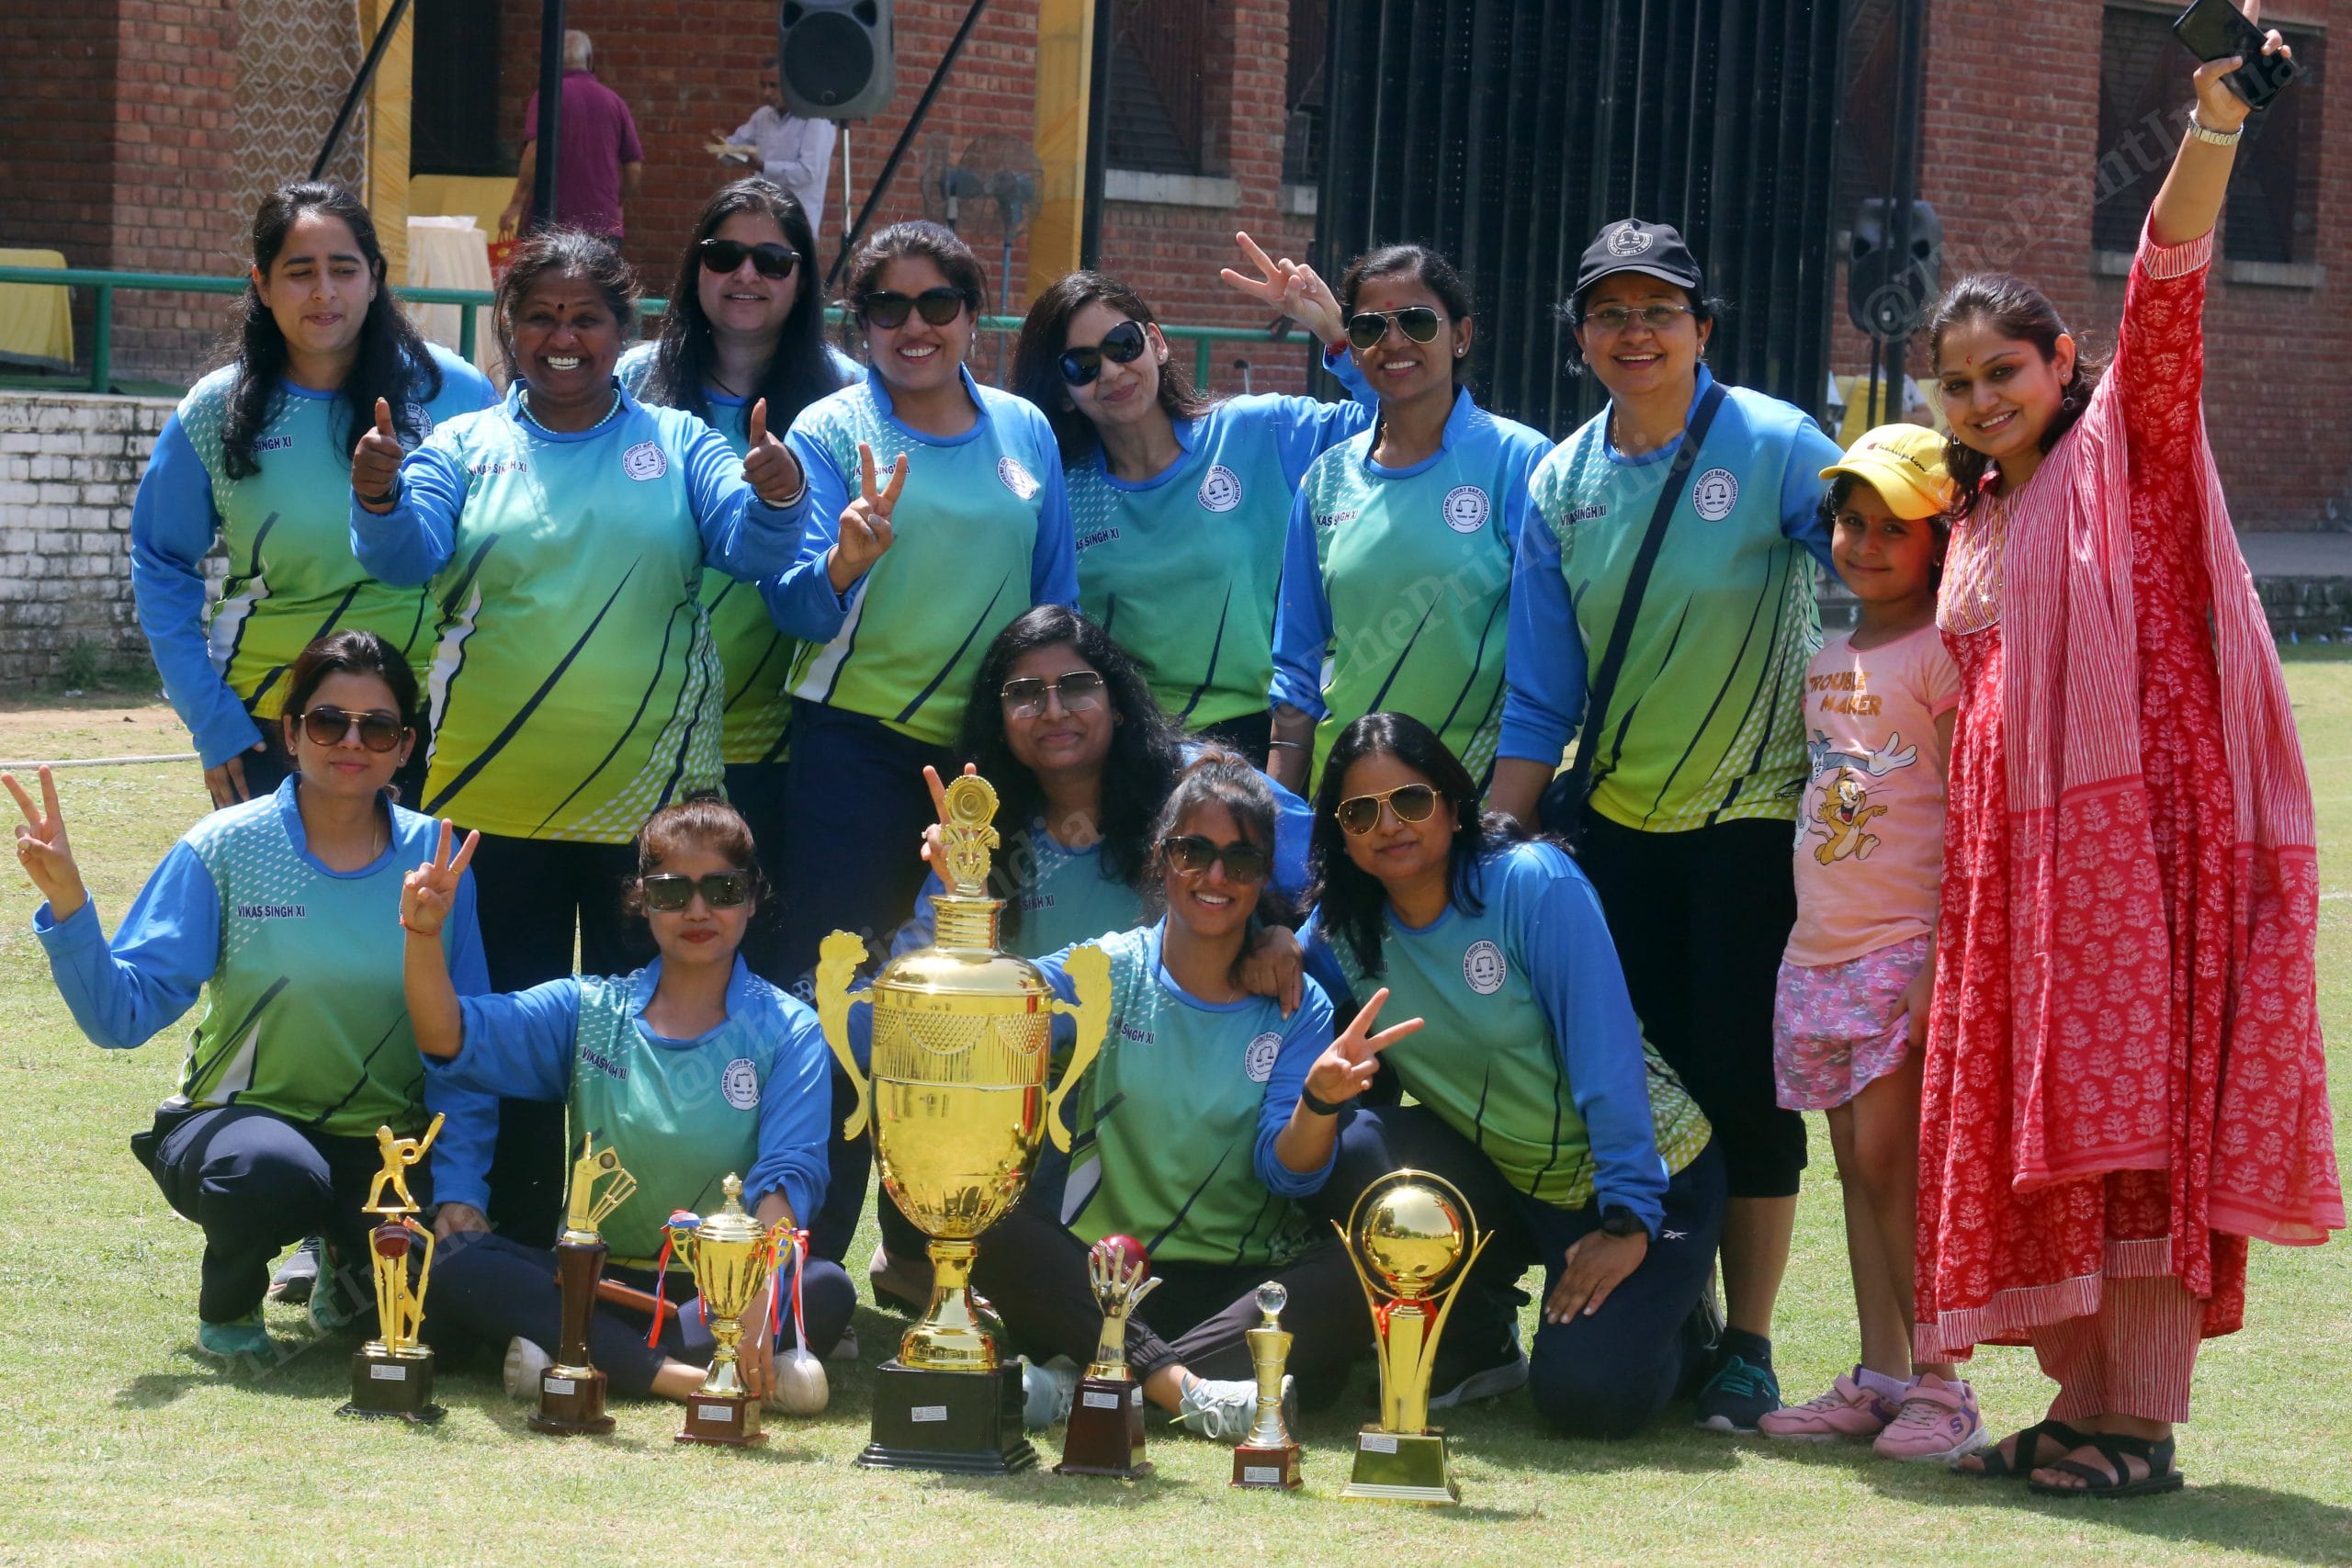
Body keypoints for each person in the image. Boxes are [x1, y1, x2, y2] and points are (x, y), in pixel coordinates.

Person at [1919, 18, 2339, 1497]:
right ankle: (2084, 1400)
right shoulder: (1974, 518)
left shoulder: (2127, 454)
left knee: (2137, 1113)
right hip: (2014, 861)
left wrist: (2212, 128)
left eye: (2004, 370)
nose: (1981, 398)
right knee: (2060, 1117)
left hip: (2135, 843)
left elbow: (2171, 286)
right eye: (1956, 382)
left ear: (2062, 363)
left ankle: (2140, 1421)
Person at [349, 228, 809, 1250]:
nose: (563, 337)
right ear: (508, 326)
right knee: (487, 1044)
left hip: (644, 823)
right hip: (483, 812)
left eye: (586, 316)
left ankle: (637, 1250)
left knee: (634, 1048)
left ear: (622, 330)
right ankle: (494, 1250)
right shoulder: (463, 448)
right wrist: (378, 488)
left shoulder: (683, 444)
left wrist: (778, 494)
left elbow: (747, 543)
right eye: (541, 316)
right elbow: (400, 554)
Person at [1487, 217, 1842, 1432]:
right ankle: (1675, 1307)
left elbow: (1887, 555)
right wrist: (1496, 839)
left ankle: (1748, 1341)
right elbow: (1539, 696)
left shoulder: (1779, 442)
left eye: (1659, 309)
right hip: (1621, 829)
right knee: (1635, 1081)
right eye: (1608, 311)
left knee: (1743, 1078)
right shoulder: (1560, 481)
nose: (1634, 332)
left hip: (1753, 815)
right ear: (1580, 334)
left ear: (1702, 326)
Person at [11, 631, 491, 1360]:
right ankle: (230, 1314)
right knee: (268, 1170)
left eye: (378, 726)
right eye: (329, 721)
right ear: (292, 733)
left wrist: (460, 1190)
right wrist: (73, 910)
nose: (351, 741)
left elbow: (466, 1045)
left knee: (433, 1327)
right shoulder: (227, 846)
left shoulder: (438, 859)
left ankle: (344, 1257)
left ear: (405, 745)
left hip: (388, 1146)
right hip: (241, 1129)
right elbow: (121, 1016)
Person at [925, 755, 1404, 1438]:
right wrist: (966, 893)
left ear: (1265, 874)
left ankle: (1081, 1384)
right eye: (1194, 851)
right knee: (986, 1216)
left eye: (1241, 860)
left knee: (1361, 1268)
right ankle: (1188, 1391)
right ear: (1161, 855)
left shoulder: (1300, 1006)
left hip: (1235, 1287)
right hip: (1096, 1278)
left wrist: (1320, 1103)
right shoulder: (1108, 969)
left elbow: (1285, 1170)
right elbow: (997, 1002)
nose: (1215, 876)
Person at [1297, 713, 1723, 1438]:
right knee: (1358, 1139)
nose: (1388, 825)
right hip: (1518, 1185)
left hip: (1649, 1179)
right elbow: (1281, 964)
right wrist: (1266, 948)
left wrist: (1629, 1219)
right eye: (1360, 811)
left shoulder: (1531, 884)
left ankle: (1686, 1327)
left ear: (1454, 803)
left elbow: (1607, 1055)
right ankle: (1473, 1340)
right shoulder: (1346, 930)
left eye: (1410, 800)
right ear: (1340, 832)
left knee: (1588, 1396)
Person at [404, 796, 850, 1411]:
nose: (698, 909)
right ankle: (683, 1376)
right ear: (642, 899)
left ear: (751, 897)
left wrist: (754, 1290)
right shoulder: (588, 1009)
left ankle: (571, 1352)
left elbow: (787, 1175)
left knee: (823, 1286)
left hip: (714, 1295)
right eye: (672, 892)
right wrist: (424, 934)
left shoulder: (790, 1027)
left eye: (721, 888)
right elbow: (448, 1034)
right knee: (454, 1260)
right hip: (589, 1280)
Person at [1749, 426, 1986, 1461]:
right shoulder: (1827, 656)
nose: (1866, 543)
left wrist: (1943, 960)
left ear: (1941, 540)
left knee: (1896, 1162)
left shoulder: (1949, 654)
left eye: (1896, 527)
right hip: (1818, 955)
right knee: (1854, 1165)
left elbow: (1973, 819)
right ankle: (1881, 1373)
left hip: (1900, 948)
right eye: (1852, 521)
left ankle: (1943, 1384)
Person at [761, 220, 1077, 986]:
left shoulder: (1024, 426)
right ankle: (837, 1111)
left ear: (972, 314)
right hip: (856, 752)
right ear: (860, 321)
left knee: (974, 976)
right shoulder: (830, 429)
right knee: (843, 979)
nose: (915, 326)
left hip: (993, 755)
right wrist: (844, 563)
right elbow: (793, 610)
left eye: (938, 303)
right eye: (888, 307)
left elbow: (1057, 602)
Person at [130, 181, 495, 813]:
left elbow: (502, 545)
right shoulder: (216, 411)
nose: (324, 291)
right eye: (299, 272)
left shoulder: (454, 394)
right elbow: (161, 561)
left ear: (376, 278)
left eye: (344, 269)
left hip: (432, 723)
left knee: (420, 914)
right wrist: (213, 722)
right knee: (279, 915)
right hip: (273, 727)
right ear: (262, 285)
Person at [619, 178, 860, 982]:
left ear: (803, 279)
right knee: (646, 969)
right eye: (724, 255)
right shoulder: (632, 385)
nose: (746, 276)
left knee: (762, 968)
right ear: (694, 268)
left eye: (772, 259)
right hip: (645, 732)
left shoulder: (845, 397)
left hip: (782, 738)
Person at [1009, 238, 1373, 757]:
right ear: (1062, 391)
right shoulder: (1059, 493)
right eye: (1081, 366)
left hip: (1277, 738)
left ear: (1156, 342)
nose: (1111, 372)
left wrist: (1336, 335)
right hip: (1139, 751)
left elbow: (1398, 425)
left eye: (1122, 345)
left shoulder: (1257, 430)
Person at [1266, 244, 1551, 795]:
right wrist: (1278, 811)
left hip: (1474, 800)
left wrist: (1505, 817)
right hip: (1351, 804)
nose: (1394, 342)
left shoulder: (1523, 463)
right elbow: (1296, 671)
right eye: (1371, 327)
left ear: (1461, 335)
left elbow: (1546, 670)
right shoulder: (1324, 480)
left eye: (1417, 321)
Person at [500, 30, 643, 241]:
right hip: (603, 226)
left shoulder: (547, 97)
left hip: (551, 224)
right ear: (590, 59)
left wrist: (515, 204)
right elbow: (634, 167)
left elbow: (534, 152)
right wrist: (617, 202)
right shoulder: (614, 102)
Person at [714, 56, 836, 240]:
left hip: (797, 218)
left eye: (773, 85)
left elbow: (808, 172)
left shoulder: (817, 119)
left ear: (792, 85)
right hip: (762, 214)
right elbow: (735, 149)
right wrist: (722, 145)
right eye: (763, 85)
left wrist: (763, 166)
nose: (766, 93)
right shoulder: (762, 116)